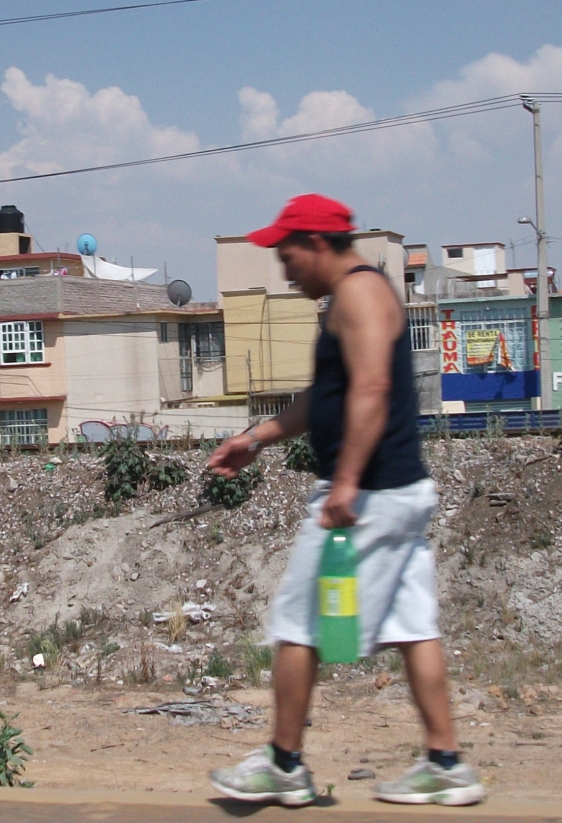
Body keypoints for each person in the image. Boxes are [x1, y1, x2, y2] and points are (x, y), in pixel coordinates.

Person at [204, 194, 483, 807]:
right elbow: (325, 399)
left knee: (298, 623)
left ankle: (283, 765)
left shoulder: (358, 294)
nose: (283, 270)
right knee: (414, 626)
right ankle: (446, 764)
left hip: (371, 492)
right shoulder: (353, 296)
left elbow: (374, 388)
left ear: (317, 243)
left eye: (287, 255)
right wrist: (254, 437)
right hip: (396, 489)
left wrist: (348, 481)